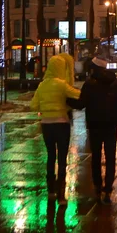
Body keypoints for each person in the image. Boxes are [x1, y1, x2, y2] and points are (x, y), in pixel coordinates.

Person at [67, 56, 117, 204]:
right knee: (110, 157)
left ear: (94, 69)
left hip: (94, 125)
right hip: (110, 126)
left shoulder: (89, 84)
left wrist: (66, 100)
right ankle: (108, 189)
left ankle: (97, 186)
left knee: (95, 157)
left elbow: (81, 104)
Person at [30, 54, 81, 205]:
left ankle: (50, 190)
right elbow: (78, 95)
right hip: (62, 123)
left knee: (51, 156)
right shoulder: (61, 84)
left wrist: (44, 108)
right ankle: (61, 194)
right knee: (62, 158)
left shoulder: (42, 85)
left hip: (46, 125)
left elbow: (33, 106)